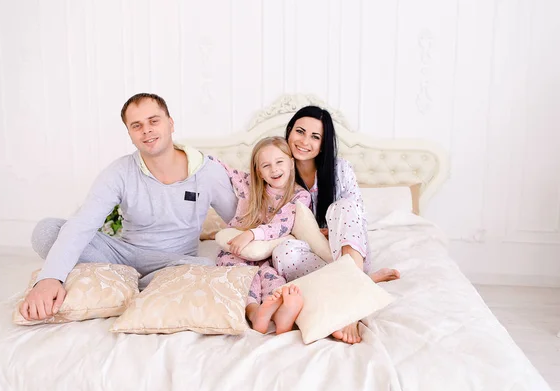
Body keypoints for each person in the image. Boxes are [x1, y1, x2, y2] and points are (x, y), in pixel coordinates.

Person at [20, 93, 238, 321]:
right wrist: (49, 278)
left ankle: (133, 283)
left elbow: (239, 220)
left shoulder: (208, 172)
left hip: (175, 260)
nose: (147, 130)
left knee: (205, 267)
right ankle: (137, 280)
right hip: (122, 255)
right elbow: (83, 223)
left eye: (154, 121)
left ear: (170, 123)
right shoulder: (119, 171)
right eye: (137, 126)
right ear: (130, 134)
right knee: (47, 230)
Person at [272, 105, 401, 344]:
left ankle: (349, 304)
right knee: (282, 253)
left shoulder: (340, 169)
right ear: (289, 132)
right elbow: (271, 220)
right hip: (310, 253)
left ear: (323, 143)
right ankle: (365, 283)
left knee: (344, 207)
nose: (304, 141)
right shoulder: (276, 170)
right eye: (299, 131)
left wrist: (332, 228)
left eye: (315, 136)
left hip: (346, 250)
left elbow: (357, 215)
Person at [211, 137, 311, 334]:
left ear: (291, 163)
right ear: (259, 172)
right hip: (239, 250)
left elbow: (281, 225)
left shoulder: (300, 196)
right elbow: (222, 170)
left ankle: (281, 315)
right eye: (266, 165)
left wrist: (251, 234)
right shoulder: (250, 184)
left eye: (280, 162)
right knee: (238, 273)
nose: (274, 169)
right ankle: (254, 312)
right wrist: (191, 155)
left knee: (272, 278)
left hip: (269, 254)